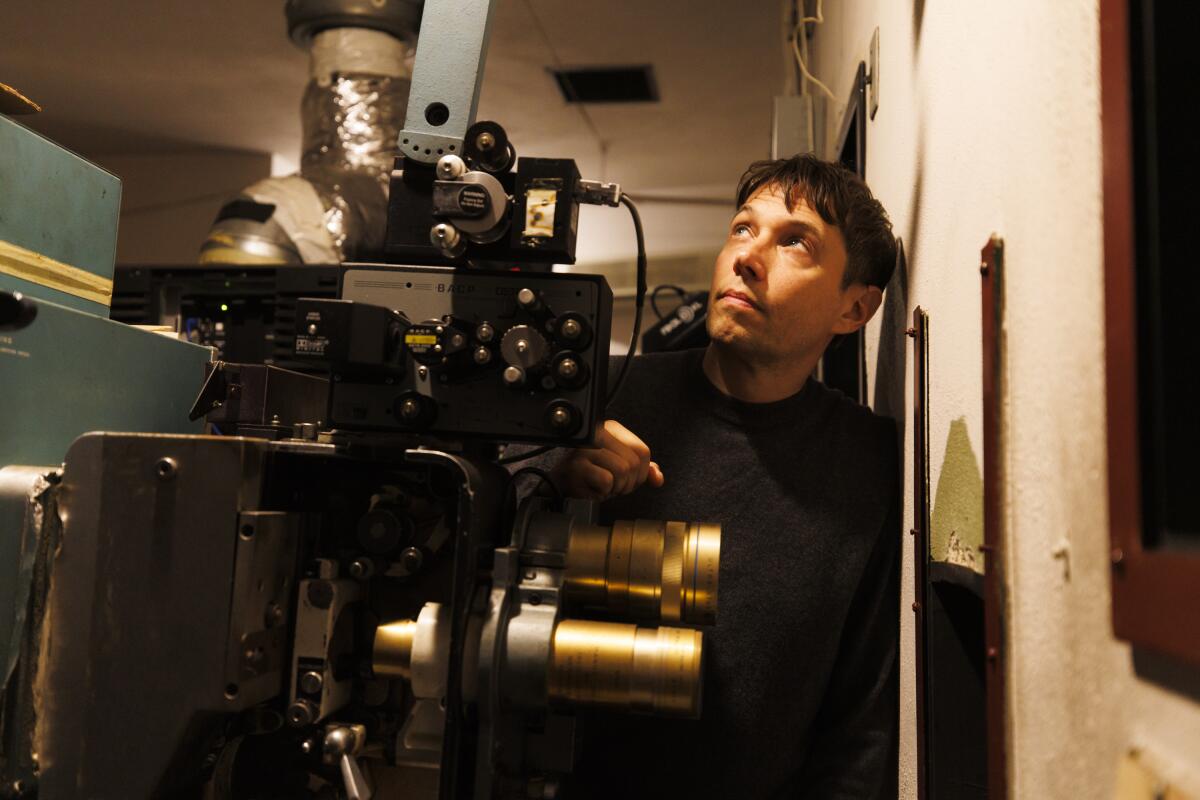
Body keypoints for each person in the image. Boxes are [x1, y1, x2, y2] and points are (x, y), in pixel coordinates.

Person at [556, 154, 901, 799]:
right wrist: (552, 469)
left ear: (854, 310)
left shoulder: (869, 463)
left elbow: (863, 720)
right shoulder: (603, 396)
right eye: (743, 229)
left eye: (794, 241)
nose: (747, 256)